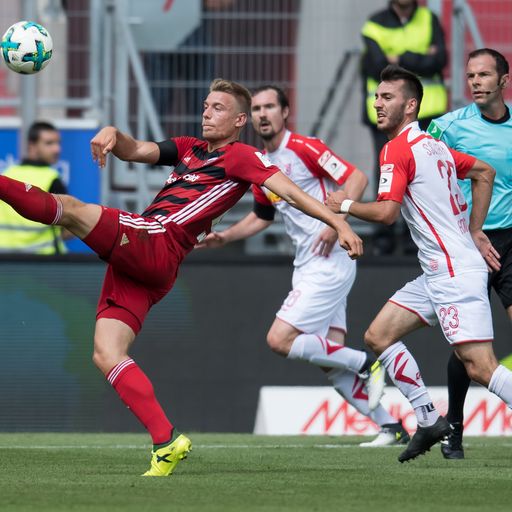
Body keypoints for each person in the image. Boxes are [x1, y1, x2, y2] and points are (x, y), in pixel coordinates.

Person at [0, 78, 362, 476]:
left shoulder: (241, 156)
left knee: (69, 207)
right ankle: (166, 440)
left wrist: (339, 222)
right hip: (146, 262)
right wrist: (113, 134)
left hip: (157, 240)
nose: (207, 112)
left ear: (240, 119)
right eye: (206, 105)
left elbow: (292, 193)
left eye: (218, 108)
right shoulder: (188, 149)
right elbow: (136, 149)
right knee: (106, 353)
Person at [199, 85, 409, 446]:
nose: (264, 114)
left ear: (285, 113)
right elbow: (262, 216)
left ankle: (365, 362)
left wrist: (336, 217)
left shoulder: (304, 147)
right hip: (307, 263)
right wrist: (227, 236)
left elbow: (356, 178)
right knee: (330, 360)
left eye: (271, 107)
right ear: (250, 118)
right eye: (259, 108)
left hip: (330, 260)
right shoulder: (261, 164)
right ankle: (390, 426)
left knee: (280, 339)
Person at [325, 65, 512, 463]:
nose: (377, 103)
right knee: (378, 337)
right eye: (376, 96)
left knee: (480, 367)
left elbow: (388, 213)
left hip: (454, 273)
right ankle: (428, 420)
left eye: (387, 97)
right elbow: (484, 171)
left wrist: (341, 205)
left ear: (410, 106)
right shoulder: (433, 145)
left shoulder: (398, 148)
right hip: (439, 270)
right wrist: (475, 230)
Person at [427, 48, 512, 459]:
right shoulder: (447, 127)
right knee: (467, 347)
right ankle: (454, 430)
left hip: (510, 242)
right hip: (467, 243)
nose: (475, 81)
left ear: (503, 81)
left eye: (484, 75)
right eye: (470, 75)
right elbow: (421, 174)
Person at [361, 0, 447, 255]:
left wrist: (398, 57)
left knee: (424, 173)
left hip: (428, 110)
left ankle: (416, 234)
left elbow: (440, 60)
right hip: (385, 113)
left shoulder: (429, 19)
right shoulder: (375, 22)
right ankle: (385, 236)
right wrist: (420, 57)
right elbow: (376, 66)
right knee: (387, 170)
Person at [0, 121, 69, 254]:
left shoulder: (6, 174)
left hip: (5, 263)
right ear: (32, 146)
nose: (57, 149)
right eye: (49, 143)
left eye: (58, 143)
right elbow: (70, 226)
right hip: (42, 264)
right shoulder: (52, 179)